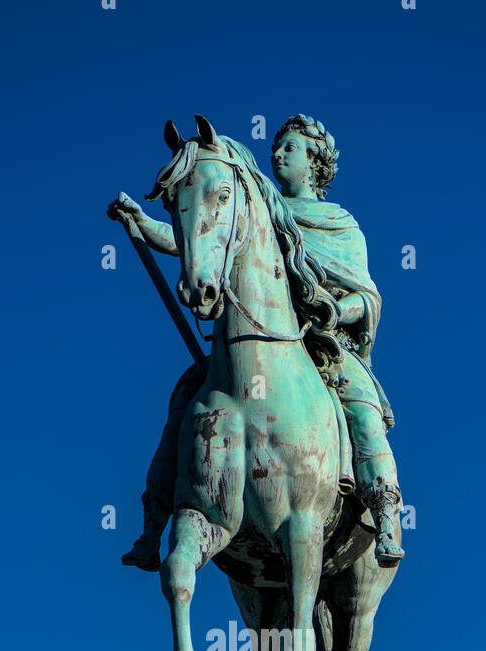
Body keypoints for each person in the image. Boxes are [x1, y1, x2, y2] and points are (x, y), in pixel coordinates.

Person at [108, 113, 404, 571]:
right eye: (278, 146)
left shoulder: (338, 223)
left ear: (315, 162)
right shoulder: (260, 209)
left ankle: (384, 510)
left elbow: (366, 297)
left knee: (361, 402)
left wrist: (335, 309)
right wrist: (143, 223)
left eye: (290, 148)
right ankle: (154, 525)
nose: (278, 153)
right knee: (186, 398)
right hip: (253, 340)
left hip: (324, 344)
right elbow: (202, 235)